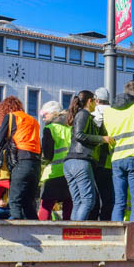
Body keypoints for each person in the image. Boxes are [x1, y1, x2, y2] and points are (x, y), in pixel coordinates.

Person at [63, 90, 114, 221]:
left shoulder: (82, 115)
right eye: (95, 100)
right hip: (81, 161)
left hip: (70, 163)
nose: (97, 104)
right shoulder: (84, 114)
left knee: (78, 202)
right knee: (88, 201)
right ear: (89, 101)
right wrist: (102, 139)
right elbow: (79, 135)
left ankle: (72, 234)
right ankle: (77, 232)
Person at [0, 96, 41, 220]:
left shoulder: (11, 117)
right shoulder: (33, 120)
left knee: (14, 202)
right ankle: (38, 232)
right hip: (36, 165)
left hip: (21, 162)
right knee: (28, 203)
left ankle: (15, 233)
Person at [104, 80, 134, 221]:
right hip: (133, 156)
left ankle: (115, 234)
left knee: (119, 202)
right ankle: (132, 236)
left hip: (116, 159)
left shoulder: (109, 112)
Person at [38, 100, 73, 220]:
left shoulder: (50, 128)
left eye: (44, 115)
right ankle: (69, 234)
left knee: (46, 206)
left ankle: (42, 232)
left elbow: (48, 155)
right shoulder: (70, 127)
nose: (43, 118)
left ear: (53, 113)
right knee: (69, 205)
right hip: (70, 172)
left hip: (54, 172)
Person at [89, 87, 115, 220]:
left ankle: (93, 224)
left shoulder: (94, 114)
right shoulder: (114, 112)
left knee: (94, 198)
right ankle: (106, 222)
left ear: (97, 100)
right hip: (111, 161)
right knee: (108, 198)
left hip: (95, 161)